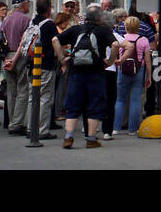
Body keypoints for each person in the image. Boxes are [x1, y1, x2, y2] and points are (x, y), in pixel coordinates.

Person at [57, 9, 114, 148]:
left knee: (73, 105)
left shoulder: (76, 29)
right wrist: (110, 61)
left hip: (76, 73)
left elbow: (54, 40)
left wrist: (62, 59)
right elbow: (116, 44)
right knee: (95, 104)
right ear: (99, 19)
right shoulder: (103, 30)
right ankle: (91, 139)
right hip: (96, 73)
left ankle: (69, 137)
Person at [112, 14, 150, 136]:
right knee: (135, 100)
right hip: (139, 69)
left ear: (126, 26)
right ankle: (133, 129)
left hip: (122, 69)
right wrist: (149, 76)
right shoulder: (143, 40)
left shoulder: (121, 38)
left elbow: (116, 54)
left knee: (120, 99)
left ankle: (116, 128)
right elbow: (148, 60)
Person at [1, 0, 33, 135]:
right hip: (19, 56)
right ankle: (17, 123)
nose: (29, 5)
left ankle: (12, 121)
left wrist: (5, 59)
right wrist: (15, 59)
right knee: (23, 90)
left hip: (7, 55)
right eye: (28, 3)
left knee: (11, 90)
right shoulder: (26, 20)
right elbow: (24, 42)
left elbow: (0, 40)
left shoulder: (6, 20)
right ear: (24, 4)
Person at [31, 0, 60, 140]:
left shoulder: (33, 21)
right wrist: (62, 58)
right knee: (46, 97)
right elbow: (55, 41)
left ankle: (31, 126)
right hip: (47, 63)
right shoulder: (49, 24)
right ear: (49, 9)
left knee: (34, 96)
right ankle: (42, 129)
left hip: (34, 63)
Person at [99, 9, 120, 140]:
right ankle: (107, 130)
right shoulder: (114, 35)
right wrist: (115, 60)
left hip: (96, 70)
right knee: (110, 101)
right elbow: (128, 46)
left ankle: (89, 127)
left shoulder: (94, 33)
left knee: (94, 98)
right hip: (110, 69)